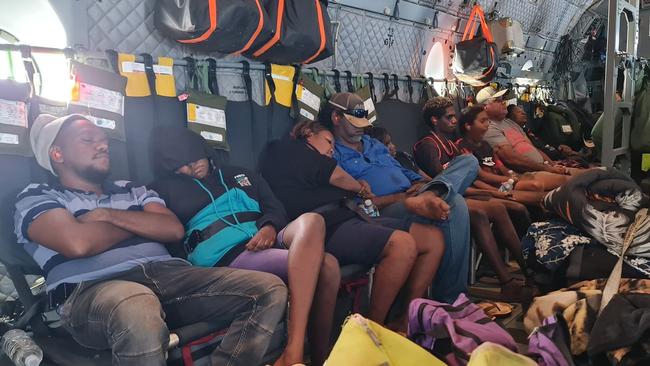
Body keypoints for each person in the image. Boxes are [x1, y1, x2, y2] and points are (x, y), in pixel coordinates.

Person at [15, 114, 287, 366]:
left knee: (267, 288)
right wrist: (141, 224)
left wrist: (105, 216)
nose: (102, 146)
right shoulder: (37, 196)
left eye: (103, 140)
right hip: (92, 291)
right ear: (57, 153)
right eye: (88, 140)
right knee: (136, 302)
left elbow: (171, 228)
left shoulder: (132, 188)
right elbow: (78, 243)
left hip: (169, 275)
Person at [150, 127, 338, 366]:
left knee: (313, 220)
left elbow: (274, 208)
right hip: (230, 255)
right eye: (182, 165)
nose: (192, 167)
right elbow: (169, 238)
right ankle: (300, 353)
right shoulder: (163, 190)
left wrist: (269, 227)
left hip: (266, 235)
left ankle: (304, 354)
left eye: (195, 159)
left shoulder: (239, 174)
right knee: (328, 265)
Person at [259, 120, 445, 332]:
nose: (331, 149)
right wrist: (361, 189)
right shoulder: (286, 149)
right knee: (402, 244)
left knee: (432, 238)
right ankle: (370, 330)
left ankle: (405, 320)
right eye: (328, 141)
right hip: (324, 227)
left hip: (351, 216)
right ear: (308, 133)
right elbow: (337, 175)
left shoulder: (314, 162)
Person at [327, 92, 477, 303]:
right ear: (336, 118)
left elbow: (405, 171)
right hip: (388, 207)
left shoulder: (374, 144)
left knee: (468, 162)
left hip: (416, 194)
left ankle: (435, 192)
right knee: (456, 204)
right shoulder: (333, 153)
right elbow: (358, 204)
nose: (361, 126)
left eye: (363, 121)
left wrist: (420, 185)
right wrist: (400, 198)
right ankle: (450, 299)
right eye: (354, 122)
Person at [414, 99, 534, 300]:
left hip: (462, 194)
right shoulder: (428, 146)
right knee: (486, 211)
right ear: (435, 120)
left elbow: (473, 176)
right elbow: (444, 186)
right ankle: (508, 280)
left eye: (454, 116)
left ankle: (529, 272)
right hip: (442, 200)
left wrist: (493, 189)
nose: (454, 120)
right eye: (449, 117)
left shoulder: (451, 145)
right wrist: (489, 193)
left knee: (505, 207)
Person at [456, 105, 551, 206]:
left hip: (502, 182)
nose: (487, 124)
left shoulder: (485, 144)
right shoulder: (462, 146)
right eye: (482, 121)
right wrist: (508, 181)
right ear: (468, 126)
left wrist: (513, 176)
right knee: (537, 192)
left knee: (535, 185)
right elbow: (481, 177)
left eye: (488, 121)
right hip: (487, 187)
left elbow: (500, 165)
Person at [479, 86, 577, 178]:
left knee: (588, 174)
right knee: (577, 180)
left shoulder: (510, 123)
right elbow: (512, 159)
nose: (503, 102)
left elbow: (533, 148)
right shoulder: (489, 128)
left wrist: (552, 164)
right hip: (527, 173)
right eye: (498, 100)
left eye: (503, 99)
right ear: (485, 106)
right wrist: (548, 169)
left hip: (542, 167)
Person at [506, 104, 589, 168]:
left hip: (556, 153)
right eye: (518, 112)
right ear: (510, 117)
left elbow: (543, 144)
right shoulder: (516, 134)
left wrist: (558, 146)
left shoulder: (528, 130)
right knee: (583, 164)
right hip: (550, 160)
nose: (523, 113)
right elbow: (536, 150)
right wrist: (552, 164)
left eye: (522, 111)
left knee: (584, 161)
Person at [366, 126, 432, 179]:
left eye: (390, 142)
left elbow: (422, 175)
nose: (393, 146)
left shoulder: (402, 155)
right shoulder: (382, 170)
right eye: (386, 144)